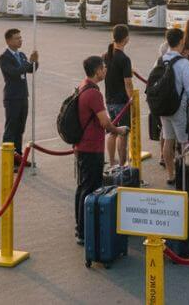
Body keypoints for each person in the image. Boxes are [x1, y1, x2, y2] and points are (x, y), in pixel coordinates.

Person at [73, 55, 128, 245]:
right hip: (91, 147)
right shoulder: (94, 94)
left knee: (82, 187)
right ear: (97, 71)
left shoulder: (83, 86)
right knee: (90, 188)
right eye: (103, 67)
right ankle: (84, 230)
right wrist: (119, 130)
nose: (105, 70)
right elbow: (105, 122)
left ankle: (80, 227)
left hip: (82, 145)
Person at [158, 28, 189, 185]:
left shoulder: (161, 59)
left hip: (163, 105)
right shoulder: (183, 62)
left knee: (168, 139)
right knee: (184, 142)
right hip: (179, 106)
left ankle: (170, 174)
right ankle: (188, 175)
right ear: (181, 41)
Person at [0, 29, 39, 164]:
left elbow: (30, 69)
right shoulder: (4, 57)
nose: (20, 40)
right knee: (11, 128)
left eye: (20, 38)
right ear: (8, 41)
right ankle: (8, 159)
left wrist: (35, 62)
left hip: (23, 96)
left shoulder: (21, 55)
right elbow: (14, 73)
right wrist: (28, 63)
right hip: (12, 97)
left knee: (20, 128)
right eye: (17, 38)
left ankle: (18, 157)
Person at [103, 24, 133, 168]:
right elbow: (128, 83)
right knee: (123, 133)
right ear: (126, 38)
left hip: (109, 100)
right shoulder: (124, 59)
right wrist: (132, 98)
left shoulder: (106, 55)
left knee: (112, 131)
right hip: (122, 102)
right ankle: (122, 164)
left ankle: (111, 161)